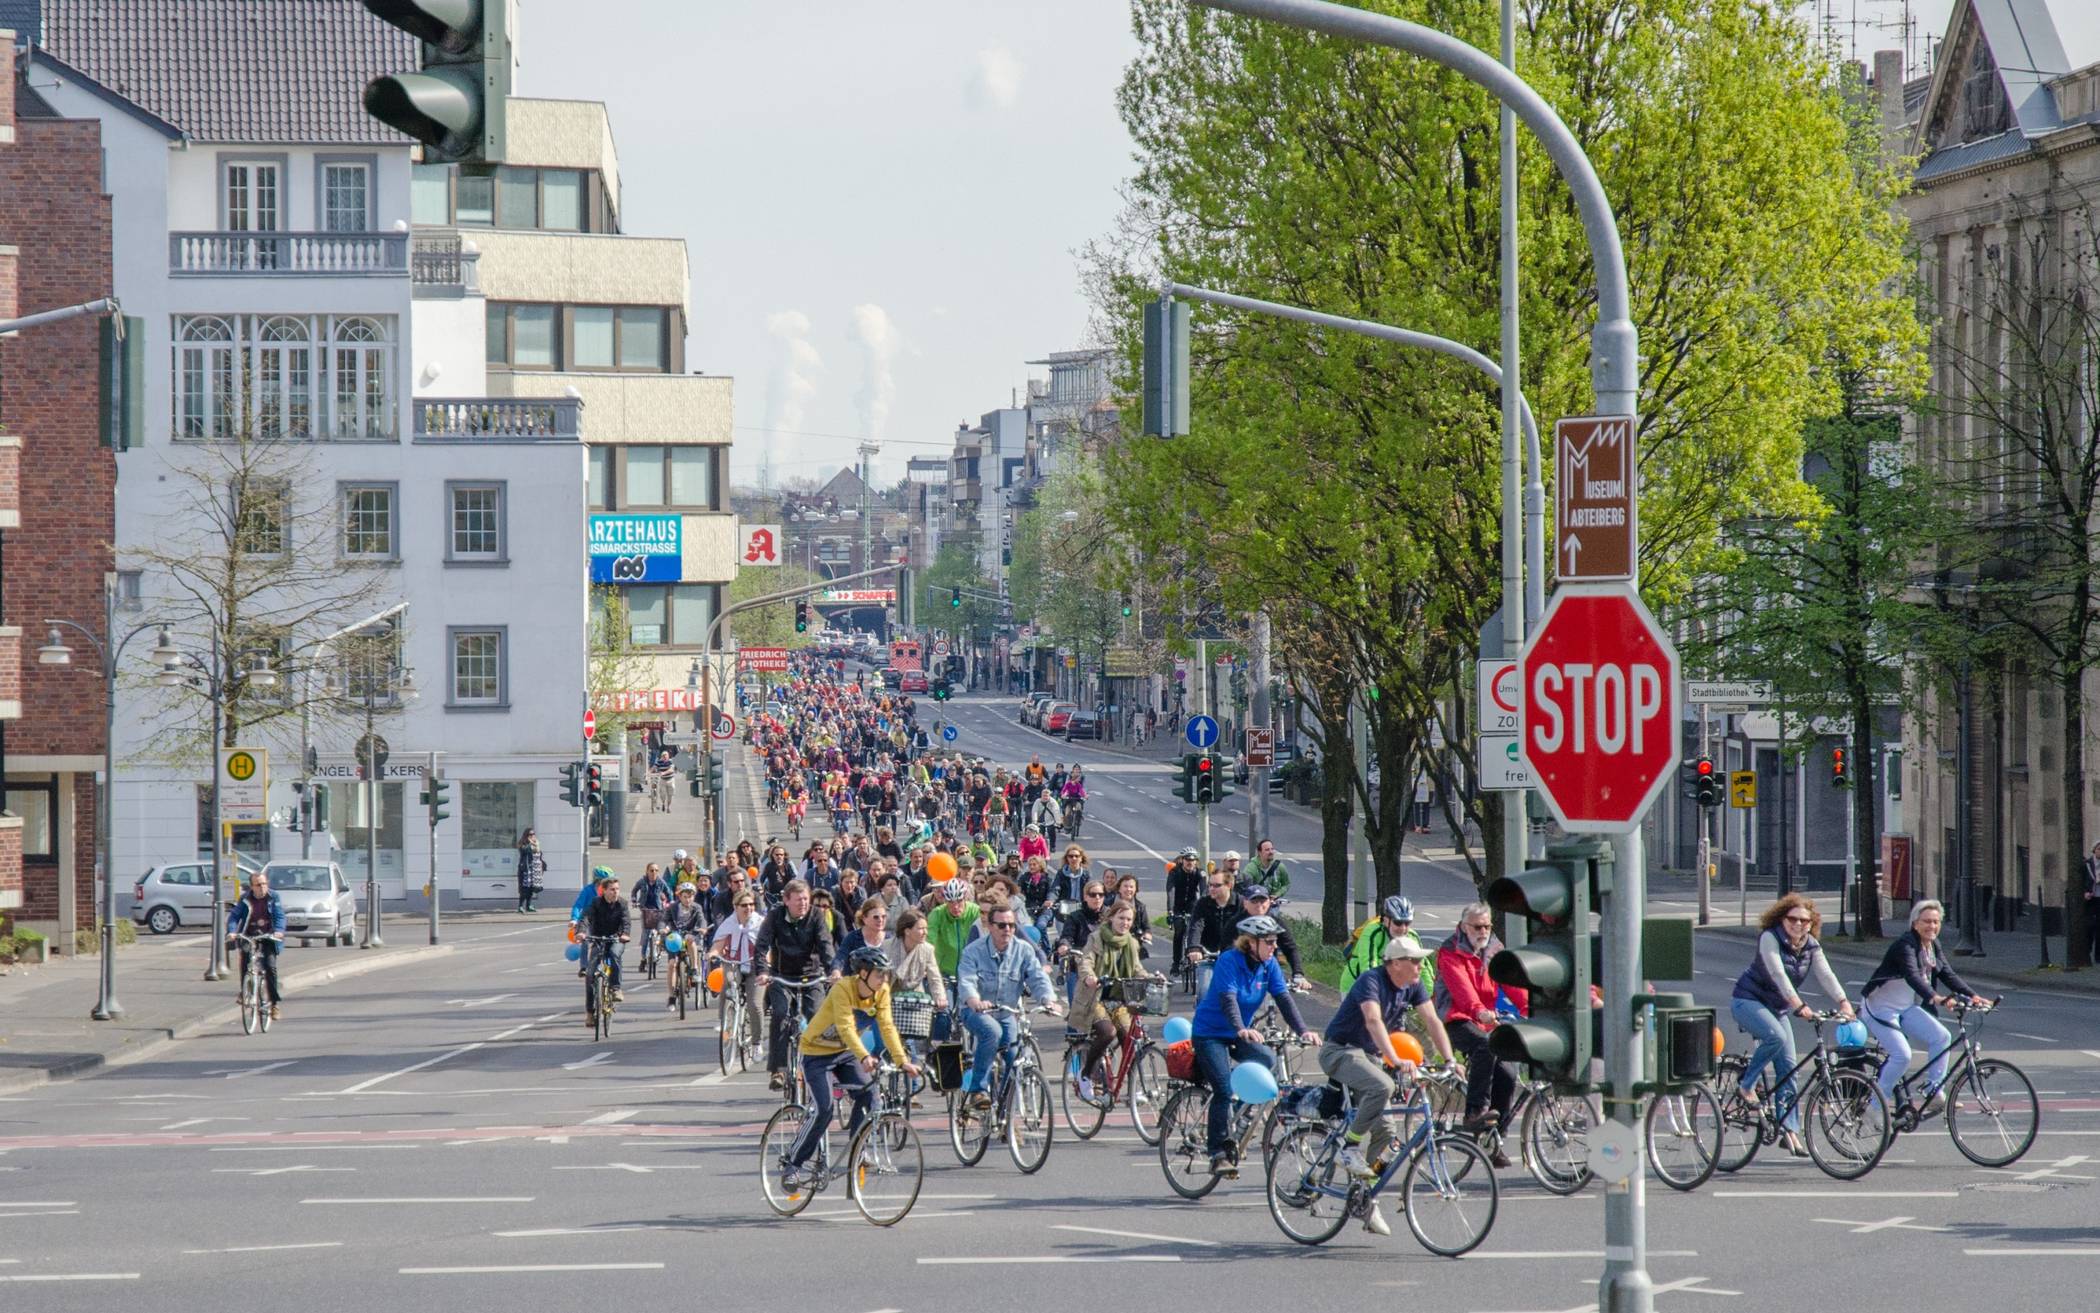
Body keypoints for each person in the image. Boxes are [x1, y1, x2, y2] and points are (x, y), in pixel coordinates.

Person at [1319, 938, 1457, 1231]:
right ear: (1395, 963)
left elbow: (1432, 1020)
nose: (1421, 966)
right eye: (1415, 961)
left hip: (1368, 1056)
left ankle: (1363, 1196)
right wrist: (1394, 1057)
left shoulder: (1413, 984)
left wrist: (1450, 1061)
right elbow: (1372, 1020)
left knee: (1388, 1136)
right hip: (1340, 1050)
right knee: (1383, 1086)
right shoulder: (1371, 980)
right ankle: (1349, 1147)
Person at [1730, 893, 1857, 1155]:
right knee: (1775, 1036)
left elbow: (1826, 974)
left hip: (1778, 1008)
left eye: (1804, 921)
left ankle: (1788, 1130)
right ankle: (1746, 1086)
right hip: (1748, 1001)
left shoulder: (1811, 946)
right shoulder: (1769, 938)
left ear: (1812, 924)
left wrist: (1844, 1001)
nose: (1798, 924)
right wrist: (1799, 1005)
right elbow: (1778, 973)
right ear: (1782, 918)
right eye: (1793, 919)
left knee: (1789, 1069)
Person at [1190, 915, 1316, 1175]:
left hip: (1239, 1034)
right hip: (1210, 1033)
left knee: (1267, 1059)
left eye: (1276, 942)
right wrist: (1241, 1028)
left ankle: (1237, 1115)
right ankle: (1217, 1153)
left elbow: (1284, 1000)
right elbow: (1228, 1000)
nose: (1274, 947)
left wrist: (1303, 1031)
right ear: (1251, 942)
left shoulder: (1269, 965)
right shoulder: (1229, 961)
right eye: (1269, 942)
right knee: (1223, 1089)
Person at [783, 947, 920, 1185]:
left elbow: (887, 1027)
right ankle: (793, 1163)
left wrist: (903, 1061)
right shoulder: (843, 988)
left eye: (886, 974)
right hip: (816, 1053)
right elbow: (845, 1027)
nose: (884, 979)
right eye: (879, 974)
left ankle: (858, 1151)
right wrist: (865, 1056)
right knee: (824, 1109)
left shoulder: (882, 992)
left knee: (869, 1094)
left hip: (844, 1053)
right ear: (863, 973)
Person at [1861, 900, 1986, 1115]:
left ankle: (1933, 1089)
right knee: (1902, 1055)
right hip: (1880, 1007)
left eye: (1936, 922)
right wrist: (1936, 998)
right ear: (1915, 923)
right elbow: (1913, 975)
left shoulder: (1932, 946)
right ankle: (1876, 1104)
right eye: (1927, 921)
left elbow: (1947, 973)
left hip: (1904, 1008)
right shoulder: (1905, 945)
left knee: (1942, 1037)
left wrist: (1973, 996)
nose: (1932, 926)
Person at [956, 902, 1063, 1107]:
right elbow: (966, 980)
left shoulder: (1023, 950)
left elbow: (1037, 977)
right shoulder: (973, 951)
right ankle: (978, 1090)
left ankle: (1005, 1111)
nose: (1008, 930)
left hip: (1006, 1013)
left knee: (1014, 1057)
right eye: (1002, 925)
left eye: (1012, 926)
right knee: (992, 1032)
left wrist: (1048, 1000)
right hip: (976, 1012)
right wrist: (975, 1000)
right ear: (989, 926)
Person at [1435, 902, 1522, 1140]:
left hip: (1485, 1020)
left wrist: (1532, 1007)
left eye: (1487, 926)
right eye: (1478, 927)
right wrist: (1479, 1010)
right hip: (1457, 1017)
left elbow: (1512, 983)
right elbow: (1462, 990)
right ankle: (1474, 1113)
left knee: (1508, 1073)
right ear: (1464, 927)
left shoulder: (1495, 949)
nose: (1483, 932)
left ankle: (1495, 1138)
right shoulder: (1450, 950)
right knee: (1485, 1046)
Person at [754, 880, 839, 1091]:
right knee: (781, 1014)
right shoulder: (775, 916)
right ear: (786, 900)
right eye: (798, 899)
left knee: (817, 1016)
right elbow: (761, 945)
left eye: (806, 899)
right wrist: (763, 971)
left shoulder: (816, 916)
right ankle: (779, 1069)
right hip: (782, 976)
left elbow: (825, 944)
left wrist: (833, 971)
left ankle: (822, 1065)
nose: (803, 903)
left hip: (811, 976)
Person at [1071, 900, 1157, 1100]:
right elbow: (1086, 961)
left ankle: (1132, 1087)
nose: (1125, 923)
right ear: (1111, 918)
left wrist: (1150, 977)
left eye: (1129, 919)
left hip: (1120, 1001)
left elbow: (1136, 969)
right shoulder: (1096, 938)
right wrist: (1090, 977)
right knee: (1108, 1033)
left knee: (1131, 1037)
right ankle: (1085, 1074)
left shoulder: (1131, 943)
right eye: (1121, 918)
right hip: (1096, 999)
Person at [1341, 895, 1436, 1000]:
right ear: (1386, 920)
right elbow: (1368, 966)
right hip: (1355, 985)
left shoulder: (1412, 937)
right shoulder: (1373, 933)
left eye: (1407, 923)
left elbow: (1423, 968)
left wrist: (1427, 996)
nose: (1403, 928)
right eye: (1398, 923)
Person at [224, 871, 286, 1019]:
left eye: (264, 883)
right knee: (245, 961)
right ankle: (245, 990)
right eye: (258, 884)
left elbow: (279, 915)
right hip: (249, 934)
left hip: (268, 936)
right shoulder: (245, 898)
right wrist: (232, 932)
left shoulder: (273, 897)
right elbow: (234, 916)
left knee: (270, 967)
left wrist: (278, 930)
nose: (262, 887)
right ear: (252, 886)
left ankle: (274, 1004)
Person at [710, 889, 766, 1049]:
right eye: (744, 905)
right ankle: (723, 1020)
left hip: (756, 965)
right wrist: (713, 953)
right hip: (734, 962)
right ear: (736, 907)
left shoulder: (761, 923)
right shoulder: (730, 923)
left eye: (751, 904)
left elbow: (769, 946)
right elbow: (719, 943)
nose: (748, 908)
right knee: (727, 982)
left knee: (755, 1004)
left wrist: (768, 962)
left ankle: (757, 1043)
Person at [577, 873, 633, 1010]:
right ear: (604, 890)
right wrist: (581, 931)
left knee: (614, 954)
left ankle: (616, 988)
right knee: (590, 975)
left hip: (616, 938)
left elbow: (626, 921)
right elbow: (585, 917)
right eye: (612, 889)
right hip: (598, 939)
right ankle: (590, 1012)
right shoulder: (596, 903)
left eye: (617, 889)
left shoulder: (622, 904)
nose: (615, 892)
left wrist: (625, 934)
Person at [1237, 885, 1306, 988]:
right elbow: (1227, 948)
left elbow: (1290, 948)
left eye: (1263, 901)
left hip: (1267, 971)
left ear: (1269, 902)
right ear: (1245, 903)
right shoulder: (1236, 923)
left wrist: (1298, 974)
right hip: (1239, 973)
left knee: (1280, 996)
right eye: (1254, 901)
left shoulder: (1276, 923)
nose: (1259, 905)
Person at [1186, 869, 1240, 994]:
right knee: (1205, 991)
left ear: (1229, 885)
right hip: (1209, 954)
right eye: (1210, 885)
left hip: (1234, 957)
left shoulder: (1240, 903)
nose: (1211, 888)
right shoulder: (1203, 903)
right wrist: (1194, 948)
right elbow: (1196, 925)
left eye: (1217, 885)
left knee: (1238, 993)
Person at [661, 882, 710, 1009]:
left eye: (690, 896)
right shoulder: (672, 908)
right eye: (685, 896)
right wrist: (663, 929)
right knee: (672, 964)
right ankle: (671, 997)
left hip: (691, 935)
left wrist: (703, 928)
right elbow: (663, 920)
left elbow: (702, 920)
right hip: (675, 938)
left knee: (690, 940)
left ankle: (694, 969)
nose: (688, 899)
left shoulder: (696, 907)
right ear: (680, 897)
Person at [926, 876, 981, 981]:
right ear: (945, 900)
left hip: (970, 970)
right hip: (944, 971)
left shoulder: (975, 912)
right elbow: (929, 940)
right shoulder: (937, 913)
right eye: (951, 902)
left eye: (959, 901)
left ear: (965, 898)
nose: (955, 907)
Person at [1166, 847, 1204, 959]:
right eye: (1187, 860)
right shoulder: (1174, 872)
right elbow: (1170, 891)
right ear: (1182, 860)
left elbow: (1203, 891)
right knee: (1179, 932)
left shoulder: (1200, 873)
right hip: (1178, 905)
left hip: (1192, 905)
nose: (1190, 863)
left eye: (1192, 860)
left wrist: (1204, 907)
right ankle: (1176, 962)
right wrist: (1170, 911)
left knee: (1194, 931)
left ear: (1196, 861)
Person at [515, 828, 545, 913]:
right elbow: (524, 850)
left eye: (533, 834)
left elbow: (539, 853)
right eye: (530, 834)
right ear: (526, 835)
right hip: (525, 869)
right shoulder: (522, 844)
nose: (532, 836)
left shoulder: (536, 844)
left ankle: (529, 905)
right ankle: (520, 906)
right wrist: (530, 843)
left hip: (533, 869)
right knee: (524, 888)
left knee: (532, 888)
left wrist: (536, 845)